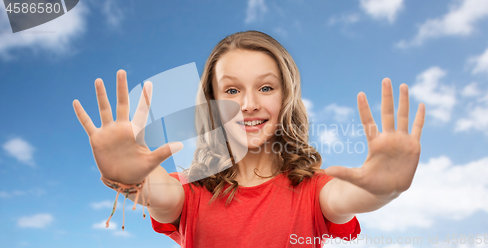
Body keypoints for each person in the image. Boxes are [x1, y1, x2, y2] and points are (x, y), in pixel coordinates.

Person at [72, 30, 425, 248]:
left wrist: (385, 188)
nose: (249, 104)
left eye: (266, 87)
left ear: (286, 97)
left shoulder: (314, 190)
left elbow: (351, 196)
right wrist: (130, 176)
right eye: (231, 90)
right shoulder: (190, 192)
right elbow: (158, 192)